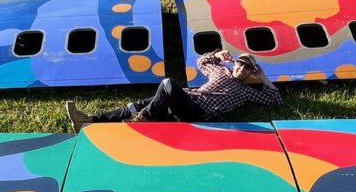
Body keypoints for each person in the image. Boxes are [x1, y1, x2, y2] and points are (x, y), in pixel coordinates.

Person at [65, 50, 282, 132]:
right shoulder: (221, 71)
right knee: (136, 105)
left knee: (168, 83)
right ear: (235, 64)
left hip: (197, 112)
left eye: (247, 67)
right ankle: (88, 120)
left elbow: (275, 99)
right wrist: (218, 56)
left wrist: (262, 77)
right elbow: (202, 61)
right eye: (240, 64)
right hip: (186, 98)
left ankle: (145, 120)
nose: (241, 68)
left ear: (251, 71)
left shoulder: (247, 90)